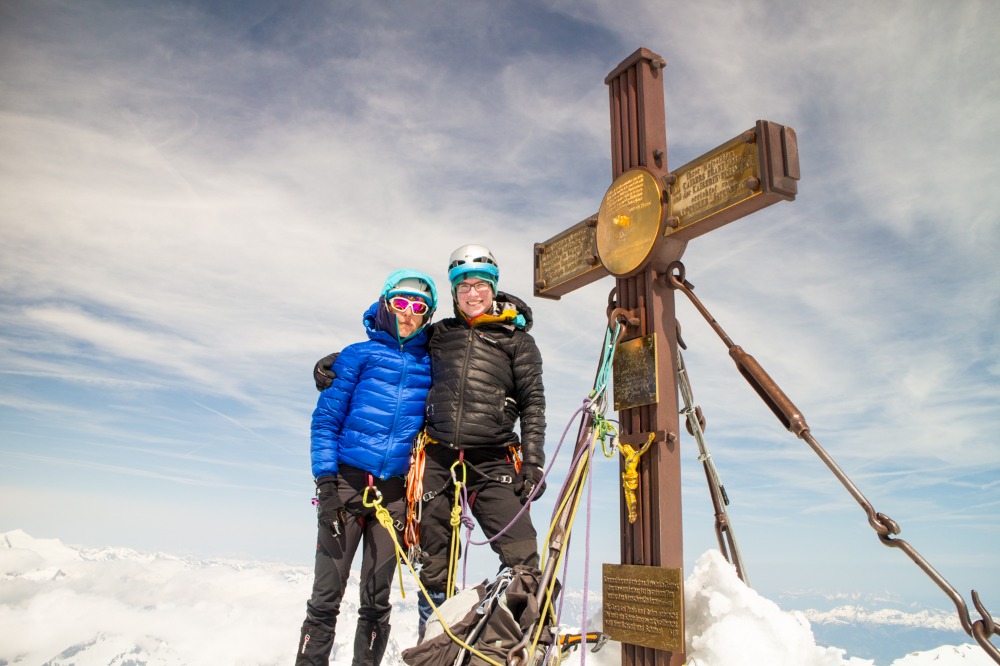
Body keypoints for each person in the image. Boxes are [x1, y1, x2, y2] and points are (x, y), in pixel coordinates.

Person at [314, 244, 547, 640]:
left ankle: (525, 642)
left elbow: (533, 404)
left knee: (521, 551)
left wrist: (534, 461)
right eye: (463, 286)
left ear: (494, 288)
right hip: (438, 458)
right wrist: (339, 360)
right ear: (454, 292)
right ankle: (434, 644)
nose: (472, 293)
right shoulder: (442, 334)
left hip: (492, 458)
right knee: (435, 562)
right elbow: (400, 346)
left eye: (480, 285)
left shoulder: (518, 341)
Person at [296, 269, 438, 666]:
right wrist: (326, 485)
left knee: (377, 601)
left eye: (419, 307)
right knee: (325, 598)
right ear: (385, 304)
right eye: (401, 302)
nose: (408, 313)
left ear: (428, 315)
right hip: (345, 485)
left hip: (394, 494)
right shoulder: (357, 356)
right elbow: (325, 423)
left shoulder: (431, 364)